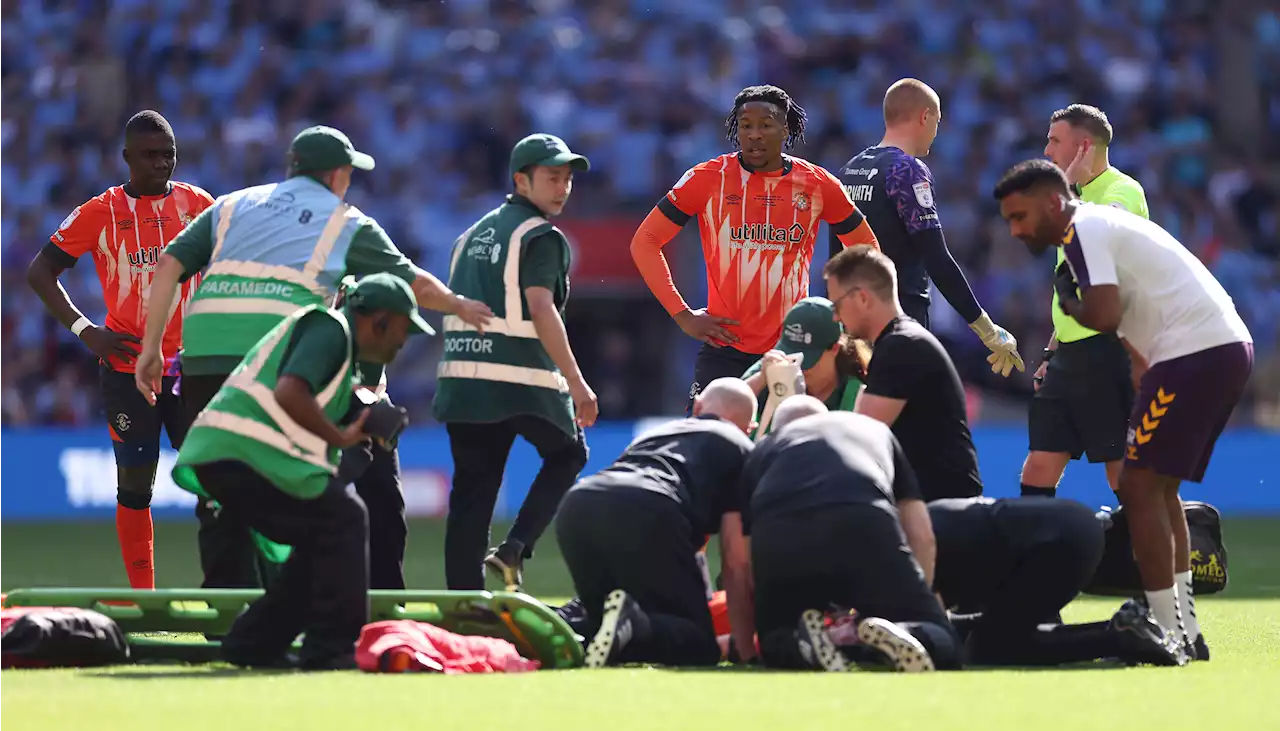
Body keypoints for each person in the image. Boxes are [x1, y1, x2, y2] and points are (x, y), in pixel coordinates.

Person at [137, 125, 492, 591]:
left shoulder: (231, 205)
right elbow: (411, 282)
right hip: (280, 356)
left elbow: (168, 266)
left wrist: (150, 350)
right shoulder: (344, 220)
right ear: (337, 175)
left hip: (204, 359)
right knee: (369, 451)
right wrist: (459, 304)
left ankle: (229, 613)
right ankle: (379, 595)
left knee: (224, 483)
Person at [994, 159, 1254, 662]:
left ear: (1053, 202)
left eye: (1021, 216)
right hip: (1213, 347)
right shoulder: (1095, 231)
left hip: (1195, 351)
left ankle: (1166, 631)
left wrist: (1071, 306)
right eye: (1009, 220)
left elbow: (1105, 314)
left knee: (1139, 488)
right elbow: (1127, 328)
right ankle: (1184, 631)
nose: (1016, 229)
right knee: (1157, 489)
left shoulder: (1082, 228)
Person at [169, 272, 434, 669]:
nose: (402, 343)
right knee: (346, 517)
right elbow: (290, 391)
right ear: (377, 321)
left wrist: (354, 433)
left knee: (320, 537)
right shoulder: (328, 327)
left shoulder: (342, 356)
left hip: (233, 455)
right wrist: (342, 437)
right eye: (400, 330)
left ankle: (251, 643)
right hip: (238, 453)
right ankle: (330, 647)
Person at [26, 110, 214, 590]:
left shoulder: (198, 205)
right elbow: (40, 272)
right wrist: (86, 330)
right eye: (150, 155)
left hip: (189, 369)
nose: (160, 163)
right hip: (126, 370)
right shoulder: (101, 211)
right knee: (134, 486)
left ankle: (225, 588)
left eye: (168, 154)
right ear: (127, 157)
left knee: (218, 482)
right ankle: (143, 601)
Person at [629, 85, 879, 414]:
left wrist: (843, 317)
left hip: (794, 350)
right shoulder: (706, 179)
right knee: (707, 448)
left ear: (786, 129)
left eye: (766, 124)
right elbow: (644, 242)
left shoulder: (818, 184)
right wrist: (682, 315)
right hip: (725, 349)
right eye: (746, 125)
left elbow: (868, 252)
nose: (755, 134)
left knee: (786, 452)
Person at [433, 134, 596, 593]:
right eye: (552, 177)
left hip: (462, 378)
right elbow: (541, 309)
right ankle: (514, 550)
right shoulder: (542, 237)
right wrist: (576, 382)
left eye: (567, 178)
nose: (562, 187)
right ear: (521, 180)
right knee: (569, 452)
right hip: (517, 379)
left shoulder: (470, 235)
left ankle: (462, 604)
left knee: (472, 493)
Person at [741, 397, 960, 672]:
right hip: (861, 520)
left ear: (779, 429)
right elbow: (922, 534)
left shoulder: (763, 449)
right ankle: (894, 634)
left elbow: (742, 561)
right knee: (943, 641)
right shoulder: (873, 429)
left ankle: (809, 644)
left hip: (782, 534)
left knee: (777, 642)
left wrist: (747, 649)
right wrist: (917, 600)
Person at [556, 378, 757, 668]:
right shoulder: (740, 449)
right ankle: (635, 626)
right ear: (748, 429)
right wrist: (746, 648)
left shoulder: (661, 432)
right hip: (651, 508)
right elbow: (735, 560)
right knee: (696, 642)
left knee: (602, 626)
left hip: (579, 504)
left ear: (698, 406)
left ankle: (547, 626)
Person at [832, 79, 1022, 377]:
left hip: (853, 327)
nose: (936, 131)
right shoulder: (905, 170)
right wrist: (986, 329)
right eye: (937, 121)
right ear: (925, 116)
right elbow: (935, 256)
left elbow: (836, 258)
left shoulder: (850, 170)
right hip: (899, 320)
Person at [1022, 104, 1149, 499]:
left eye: (1054, 141)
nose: (1046, 151)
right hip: (1069, 355)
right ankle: (1035, 557)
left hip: (1110, 349)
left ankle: (1154, 557)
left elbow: (1100, 237)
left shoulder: (1122, 190)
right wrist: (1050, 354)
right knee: (1039, 465)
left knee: (1120, 473)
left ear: (1083, 146)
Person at [929, 496, 1184, 667]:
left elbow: (936, 630)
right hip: (1066, 529)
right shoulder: (914, 530)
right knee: (987, 639)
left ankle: (1121, 637)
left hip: (1059, 542)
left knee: (989, 649)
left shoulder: (906, 551)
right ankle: (1123, 630)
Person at [823, 245, 983, 501]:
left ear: (863, 298)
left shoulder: (901, 346)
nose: (835, 318)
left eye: (836, 305)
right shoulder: (897, 342)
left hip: (943, 513)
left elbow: (858, 439)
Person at [740, 297, 869, 437]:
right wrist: (759, 381)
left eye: (806, 359)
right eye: (791, 356)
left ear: (835, 348)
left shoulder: (861, 386)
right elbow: (723, 408)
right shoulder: (770, 370)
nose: (797, 367)